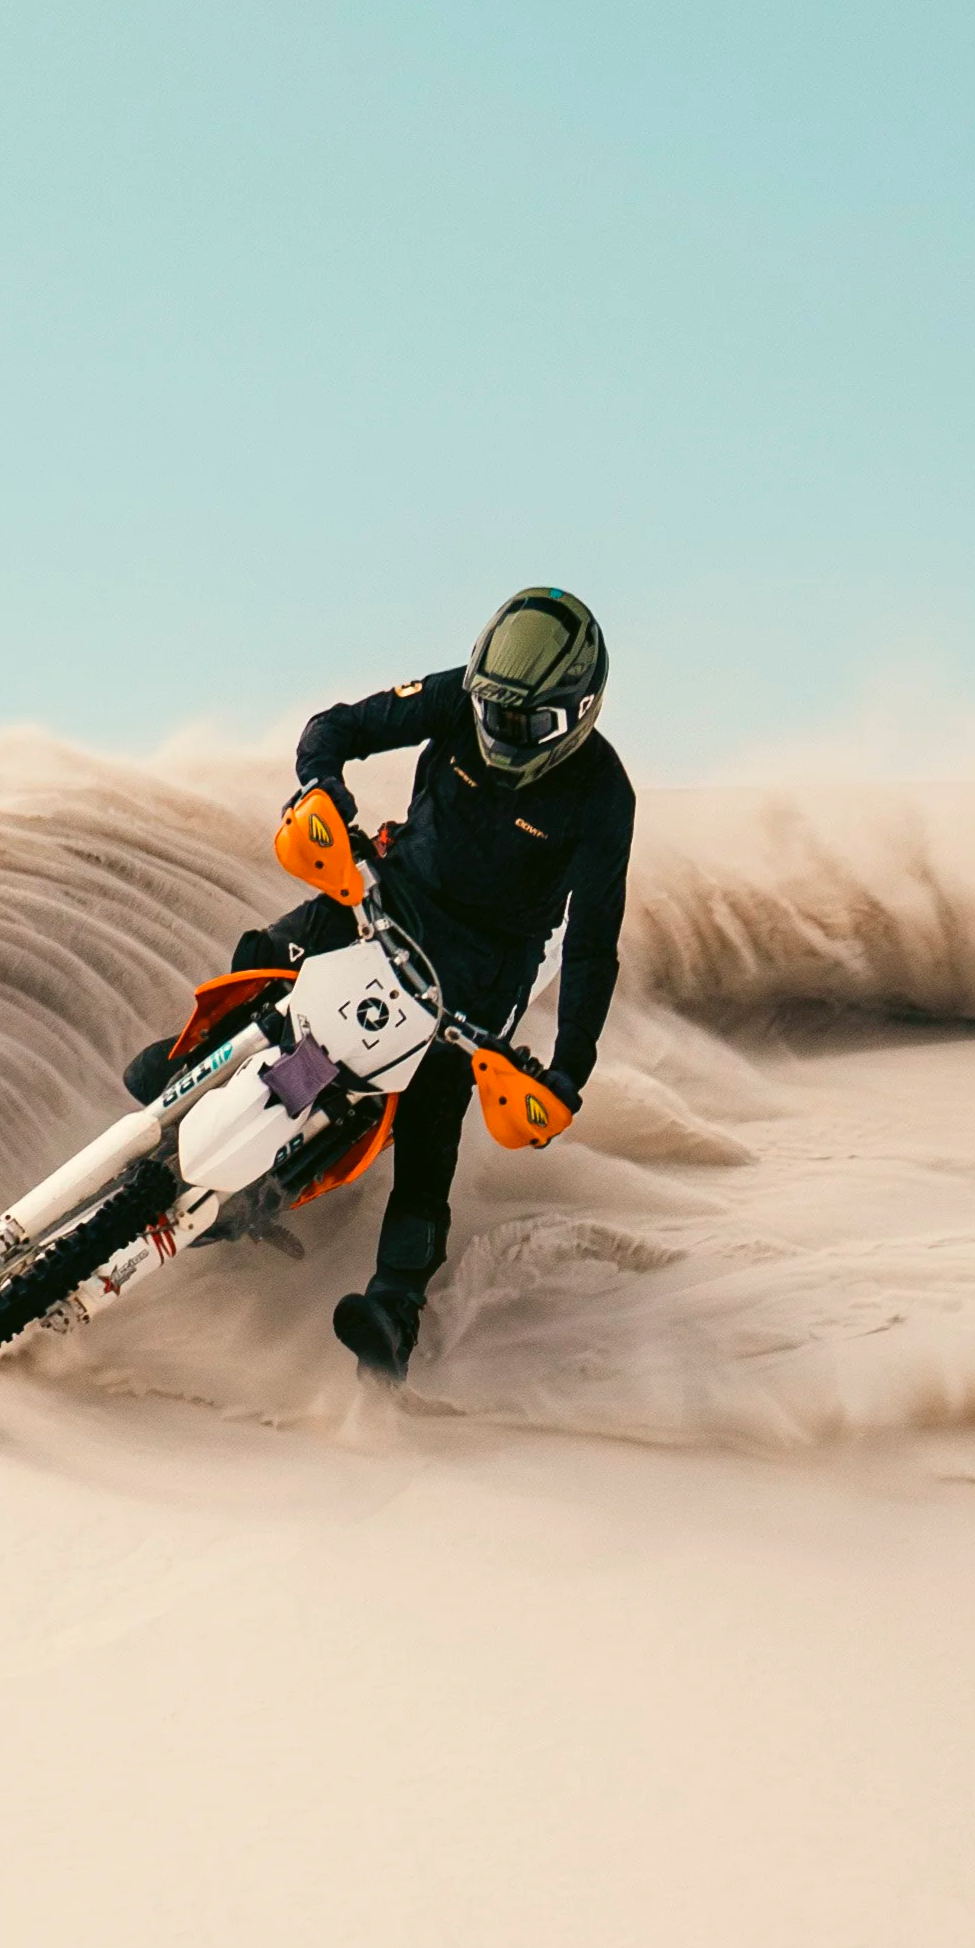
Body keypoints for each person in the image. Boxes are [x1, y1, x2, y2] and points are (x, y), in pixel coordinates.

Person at [125, 587, 635, 1382]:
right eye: (492, 712)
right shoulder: (458, 699)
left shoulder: (605, 797)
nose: (498, 733)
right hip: (384, 892)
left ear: (578, 713)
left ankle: (393, 1308)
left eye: (523, 724)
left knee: (432, 1128)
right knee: (266, 956)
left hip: (482, 968)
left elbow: (595, 946)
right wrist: (319, 787)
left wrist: (568, 1070)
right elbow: (337, 727)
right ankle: (195, 1074)